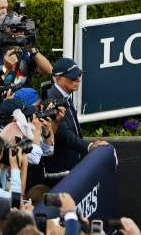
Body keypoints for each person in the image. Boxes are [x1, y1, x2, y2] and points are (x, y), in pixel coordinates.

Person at [44, 57, 108, 186]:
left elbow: (73, 130)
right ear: (59, 79)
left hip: (71, 167)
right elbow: (64, 134)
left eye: (78, 75)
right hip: (59, 174)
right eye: (73, 77)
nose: (78, 79)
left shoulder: (65, 95)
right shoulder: (51, 99)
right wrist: (88, 146)